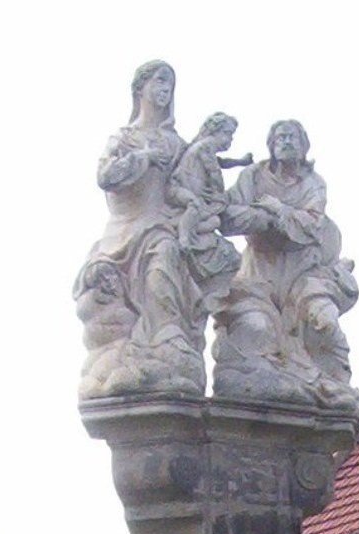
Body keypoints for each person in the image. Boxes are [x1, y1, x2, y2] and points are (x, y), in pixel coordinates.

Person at [74, 61, 206, 400]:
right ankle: (143, 348)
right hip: (125, 229)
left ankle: (166, 338)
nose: (165, 89)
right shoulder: (124, 139)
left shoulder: (177, 144)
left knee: (165, 254)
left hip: (161, 227)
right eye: (160, 80)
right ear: (140, 88)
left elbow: (188, 183)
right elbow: (105, 177)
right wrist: (143, 158)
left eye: (171, 84)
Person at [214, 120, 359, 413]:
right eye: (280, 137)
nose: (286, 142)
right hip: (259, 275)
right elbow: (227, 216)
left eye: (292, 137)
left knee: (325, 322)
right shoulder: (253, 176)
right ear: (271, 144)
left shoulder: (313, 183)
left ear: (304, 145)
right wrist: (264, 219)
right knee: (255, 331)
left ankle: (337, 388)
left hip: (303, 274)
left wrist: (279, 211)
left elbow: (312, 226)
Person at [167, 112, 250, 309]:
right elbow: (214, 172)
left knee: (214, 222)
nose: (230, 140)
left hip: (192, 192)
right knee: (194, 206)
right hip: (180, 190)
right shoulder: (205, 147)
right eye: (228, 134)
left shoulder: (207, 148)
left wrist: (241, 162)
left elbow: (221, 163)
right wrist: (218, 197)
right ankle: (185, 237)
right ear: (215, 131)